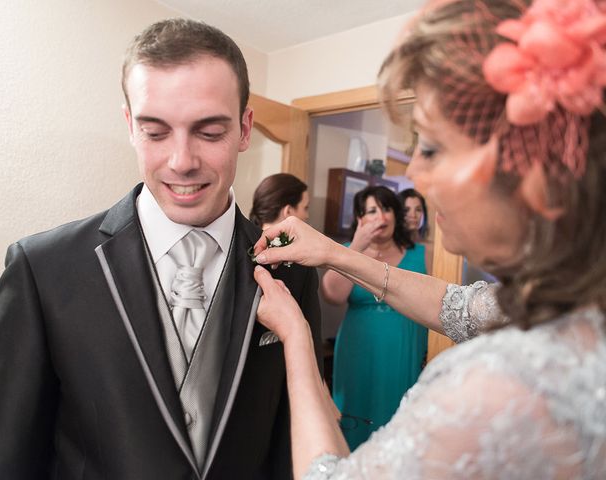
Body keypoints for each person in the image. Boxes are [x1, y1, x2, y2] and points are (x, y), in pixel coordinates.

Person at [250, 0, 606, 478]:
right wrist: (335, 251)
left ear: (532, 172)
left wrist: (296, 337)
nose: (413, 170)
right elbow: (458, 305)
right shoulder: (578, 311)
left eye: (432, 147)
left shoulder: (501, 385)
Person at [0, 18, 322, 480]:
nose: (182, 162)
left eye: (209, 132)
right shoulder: (42, 269)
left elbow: (290, 445)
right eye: (156, 133)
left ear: (245, 128)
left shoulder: (292, 270)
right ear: (131, 126)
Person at [321, 185, 427, 450]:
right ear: (360, 219)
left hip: (404, 346)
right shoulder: (348, 251)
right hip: (359, 350)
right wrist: (357, 245)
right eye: (372, 211)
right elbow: (332, 294)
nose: (382, 217)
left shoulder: (420, 253)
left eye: (387, 209)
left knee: (398, 415)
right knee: (356, 414)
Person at [400, 188, 434, 273]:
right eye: (406, 210)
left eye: (418, 210)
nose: (413, 215)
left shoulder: (431, 248)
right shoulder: (390, 248)